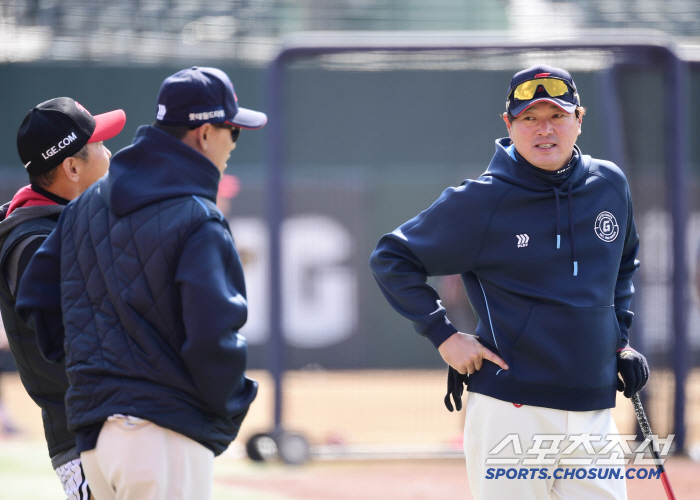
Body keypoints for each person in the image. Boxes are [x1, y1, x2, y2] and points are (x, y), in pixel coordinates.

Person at [370, 65, 649, 500]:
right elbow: (392, 257)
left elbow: (623, 264)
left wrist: (620, 340)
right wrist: (444, 336)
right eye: (529, 118)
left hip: (593, 406)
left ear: (580, 117)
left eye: (556, 116)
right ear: (509, 124)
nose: (544, 130)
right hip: (512, 409)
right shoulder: (482, 199)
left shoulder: (609, 183)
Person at [16, 66, 264, 500]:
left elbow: (38, 298)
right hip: (161, 434)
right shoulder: (197, 217)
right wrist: (228, 413)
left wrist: (94, 377)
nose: (233, 144)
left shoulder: (83, 208)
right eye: (233, 131)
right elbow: (214, 336)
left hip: (96, 443)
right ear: (205, 134)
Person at [0, 96, 125, 499]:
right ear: (72, 167)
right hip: (92, 442)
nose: (111, 154)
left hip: (112, 431)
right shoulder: (34, 243)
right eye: (101, 146)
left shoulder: (61, 224)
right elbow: (83, 341)